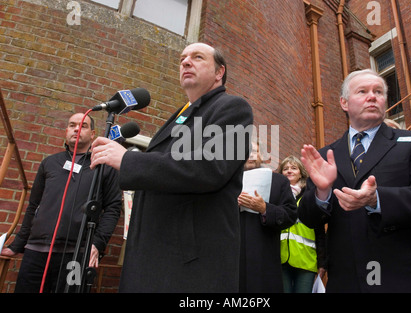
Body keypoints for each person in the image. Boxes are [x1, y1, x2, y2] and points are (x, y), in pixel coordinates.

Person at [89, 42, 254, 292]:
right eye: (182, 59)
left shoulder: (233, 108)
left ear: (220, 72)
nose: (186, 62)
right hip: (153, 252)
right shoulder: (182, 113)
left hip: (187, 261)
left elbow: (210, 168)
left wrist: (129, 160)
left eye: (197, 57)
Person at [299, 69, 411, 292]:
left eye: (378, 92)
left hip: (407, 275)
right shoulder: (325, 155)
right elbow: (308, 218)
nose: (372, 96)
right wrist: (323, 193)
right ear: (344, 103)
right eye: (363, 91)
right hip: (349, 278)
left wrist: (376, 199)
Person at [1, 113, 122, 293]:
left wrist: (97, 244)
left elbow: (113, 208)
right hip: (36, 252)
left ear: (93, 134)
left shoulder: (103, 167)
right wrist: (17, 245)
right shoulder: (49, 163)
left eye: (83, 125)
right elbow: (34, 205)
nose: (76, 129)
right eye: (72, 125)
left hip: (77, 254)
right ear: (66, 131)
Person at [237, 142, 297, 292]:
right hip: (235, 258)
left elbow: (290, 215)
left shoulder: (279, 181)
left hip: (265, 256)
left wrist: (265, 209)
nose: (250, 155)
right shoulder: (230, 183)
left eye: (254, 151)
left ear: (262, 156)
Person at [278, 155, 327, 293]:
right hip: (281, 260)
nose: (289, 171)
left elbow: (319, 230)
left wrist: (322, 263)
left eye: (294, 168)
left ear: (301, 173)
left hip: (306, 261)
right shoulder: (276, 195)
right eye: (285, 169)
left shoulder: (310, 196)